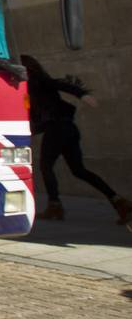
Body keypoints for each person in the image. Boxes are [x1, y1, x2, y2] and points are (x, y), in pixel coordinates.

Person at [21, 54, 132, 224]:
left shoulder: (36, 81)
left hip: (57, 129)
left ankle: (54, 206)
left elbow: (60, 84)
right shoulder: (32, 86)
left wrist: (82, 95)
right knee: (79, 170)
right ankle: (119, 201)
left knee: (46, 166)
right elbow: (38, 117)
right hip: (68, 129)